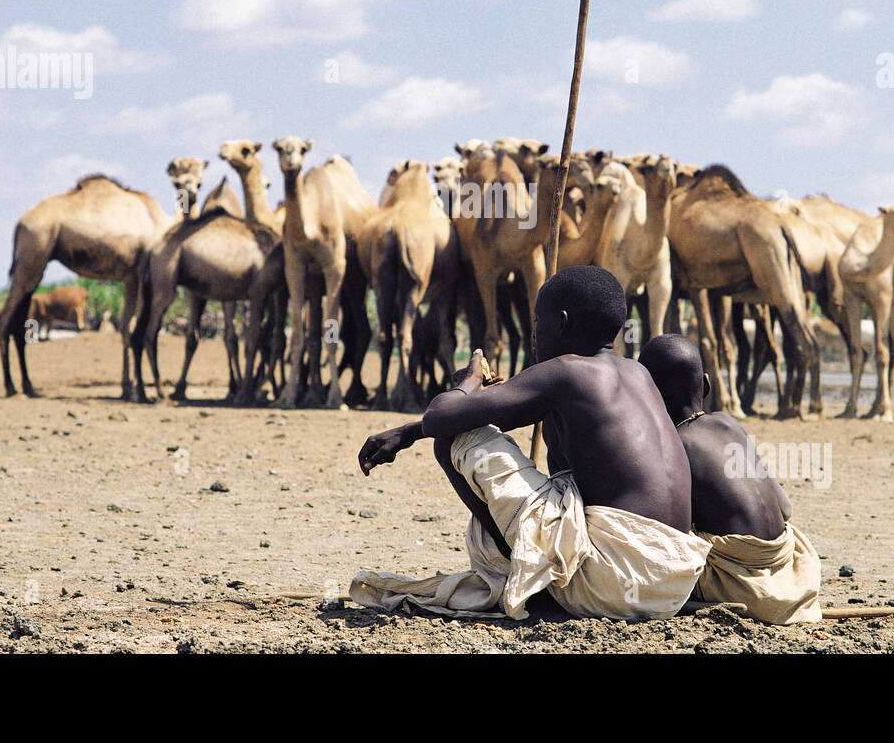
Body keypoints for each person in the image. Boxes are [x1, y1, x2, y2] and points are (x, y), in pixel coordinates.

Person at [352, 265, 711, 620]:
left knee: (454, 440)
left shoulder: (567, 371)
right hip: (672, 582)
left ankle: (524, 574)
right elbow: (496, 414)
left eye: (538, 322)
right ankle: (548, 575)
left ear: (563, 322)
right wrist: (407, 433)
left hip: (613, 583)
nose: (534, 334)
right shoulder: (637, 372)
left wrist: (469, 381)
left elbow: (442, 419)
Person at [638, 333, 821, 624]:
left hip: (743, 587)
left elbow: (672, 530)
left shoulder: (674, 445)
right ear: (707, 385)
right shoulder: (728, 422)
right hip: (793, 577)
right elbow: (785, 508)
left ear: (646, 396)